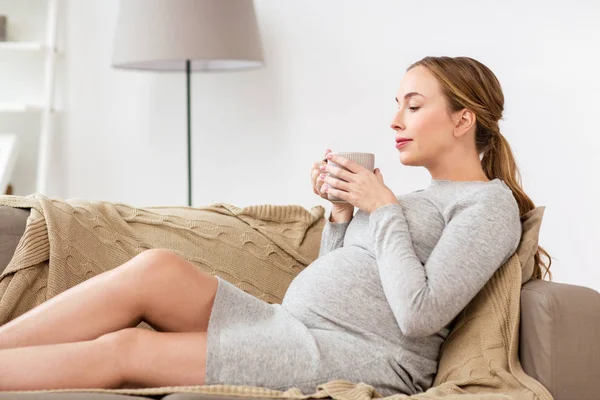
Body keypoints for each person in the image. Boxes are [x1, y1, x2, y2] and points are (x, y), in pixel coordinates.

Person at [0, 56, 552, 396]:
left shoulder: (487, 207)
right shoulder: (418, 198)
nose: (394, 120)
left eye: (413, 106)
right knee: (155, 268)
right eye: (396, 105)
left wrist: (381, 208)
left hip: (356, 356)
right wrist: (341, 218)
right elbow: (345, 277)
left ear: (463, 119)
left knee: (125, 351)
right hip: (290, 324)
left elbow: (419, 314)